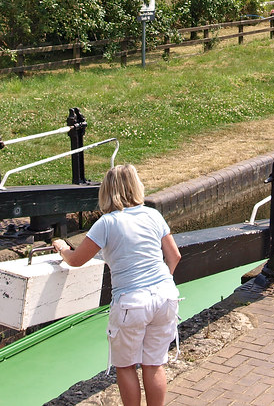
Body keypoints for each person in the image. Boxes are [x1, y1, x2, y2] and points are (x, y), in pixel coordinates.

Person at [53, 164, 182, 406]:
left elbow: (77, 260)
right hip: (165, 295)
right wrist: (163, 282)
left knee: (125, 366)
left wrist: (62, 249)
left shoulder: (107, 222)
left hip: (131, 301)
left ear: (106, 191)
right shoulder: (153, 215)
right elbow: (174, 256)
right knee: (154, 363)